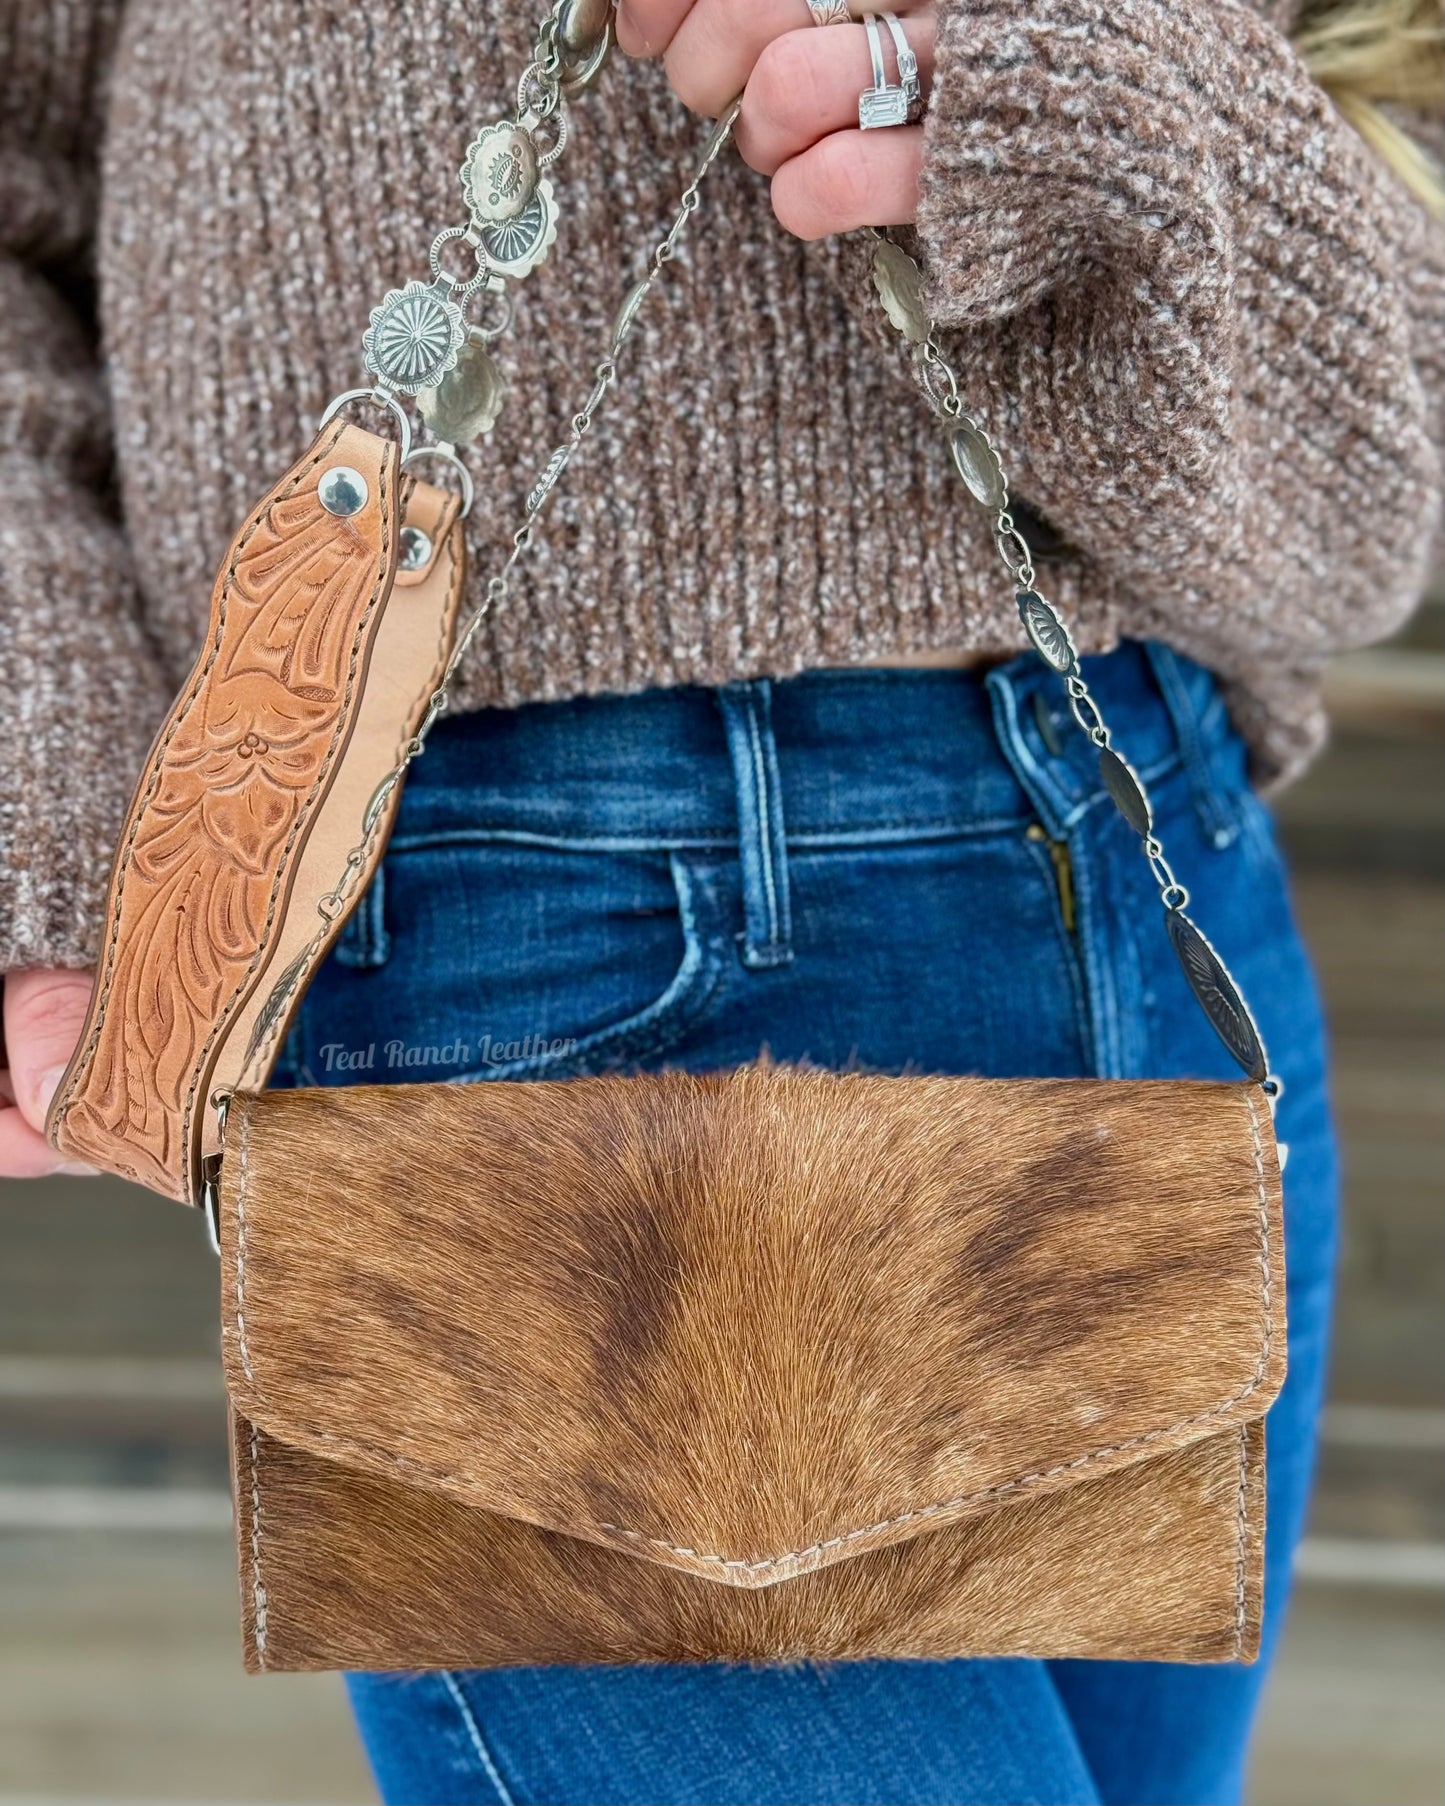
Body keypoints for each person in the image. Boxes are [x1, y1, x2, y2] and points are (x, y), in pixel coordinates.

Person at [1, 0, 1440, 1800]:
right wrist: (54, 779)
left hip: (1139, 879)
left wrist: (1051, 85)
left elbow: (1368, 497)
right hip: (512, 967)